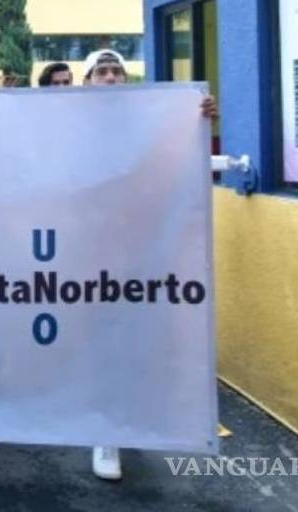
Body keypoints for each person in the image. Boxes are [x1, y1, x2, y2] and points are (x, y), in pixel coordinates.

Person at [79, 48, 216, 481]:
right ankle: (106, 433)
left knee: (143, 338)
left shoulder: (148, 121)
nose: (110, 77)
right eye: (101, 71)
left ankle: (131, 419)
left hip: (145, 251)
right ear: (87, 81)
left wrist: (197, 122)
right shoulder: (67, 125)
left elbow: (177, 160)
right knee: (104, 340)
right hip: (92, 252)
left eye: (116, 70)